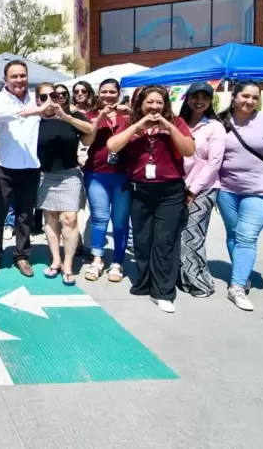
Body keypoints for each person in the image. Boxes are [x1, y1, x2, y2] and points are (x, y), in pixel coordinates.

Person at [107, 86, 195, 314]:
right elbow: (112, 146)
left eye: (159, 103)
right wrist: (138, 126)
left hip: (169, 191)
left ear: (166, 105)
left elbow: (188, 150)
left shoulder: (177, 123)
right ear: (141, 104)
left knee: (164, 242)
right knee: (142, 241)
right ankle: (145, 282)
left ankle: (163, 292)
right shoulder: (131, 123)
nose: (155, 107)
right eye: (150, 102)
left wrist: (168, 127)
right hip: (139, 190)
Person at [216, 81, 263, 312]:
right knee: (233, 234)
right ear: (234, 96)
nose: (249, 101)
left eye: (255, 97)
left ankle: (236, 286)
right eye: (245, 96)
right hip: (226, 190)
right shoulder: (220, 122)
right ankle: (242, 273)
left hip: (259, 191)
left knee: (247, 236)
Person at [0, 60, 48, 278]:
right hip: (2, 166)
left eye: (23, 75)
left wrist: (42, 108)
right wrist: (35, 111)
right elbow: (2, 115)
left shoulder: (37, 97)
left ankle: (22, 255)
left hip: (30, 166)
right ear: (6, 80)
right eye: (14, 76)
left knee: (25, 215)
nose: (19, 80)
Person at [35, 83, 94, 285]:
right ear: (37, 100)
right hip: (44, 175)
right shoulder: (36, 120)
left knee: (69, 219)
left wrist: (65, 115)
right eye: (43, 97)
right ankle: (56, 260)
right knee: (50, 218)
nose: (49, 99)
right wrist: (40, 112)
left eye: (53, 95)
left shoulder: (72, 115)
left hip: (69, 174)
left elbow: (89, 132)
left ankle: (68, 264)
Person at [82, 79, 133, 283]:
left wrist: (129, 112)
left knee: (120, 221)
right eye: (104, 92)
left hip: (123, 173)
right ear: (98, 93)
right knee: (99, 218)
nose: (108, 96)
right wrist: (99, 118)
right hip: (96, 173)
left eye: (112, 92)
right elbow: (86, 140)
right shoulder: (91, 114)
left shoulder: (128, 115)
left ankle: (118, 262)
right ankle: (97, 259)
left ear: (119, 93)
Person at [178, 82, 225, 298]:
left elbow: (214, 163)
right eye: (195, 97)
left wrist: (192, 190)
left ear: (210, 102)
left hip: (202, 189)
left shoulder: (214, 127)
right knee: (177, 235)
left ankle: (199, 283)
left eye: (204, 98)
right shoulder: (178, 124)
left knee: (193, 236)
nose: (199, 102)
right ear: (187, 99)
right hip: (176, 186)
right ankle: (181, 277)